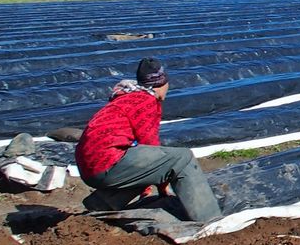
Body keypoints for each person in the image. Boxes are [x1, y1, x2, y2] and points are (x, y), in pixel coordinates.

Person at [75, 58, 222, 222]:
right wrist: (163, 182)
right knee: (183, 157)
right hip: (107, 163)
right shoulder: (146, 101)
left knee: (146, 163)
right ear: (160, 84)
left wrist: (153, 180)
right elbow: (150, 144)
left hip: (89, 165)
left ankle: (101, 203)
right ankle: (209, 219)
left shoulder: (126, 97)